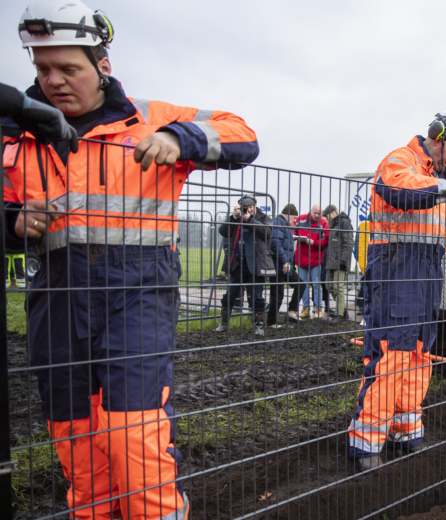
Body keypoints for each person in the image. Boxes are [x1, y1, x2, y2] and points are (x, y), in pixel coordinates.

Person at [2, 1, 259, 517]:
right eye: (42, 68)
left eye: (68, 68)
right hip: (56, 297)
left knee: (135, 436)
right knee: (75, 439)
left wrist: (177, 138)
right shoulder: (16, 133)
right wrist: (12, 225)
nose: (54, 80)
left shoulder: (151, 119)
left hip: (138, 294)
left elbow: (242, 132)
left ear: (102, 65)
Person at [347, 109, 446, 469]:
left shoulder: (441, 181)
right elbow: (400, 189)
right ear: (437, 137)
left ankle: (406, 430)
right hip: (395, 270)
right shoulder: (402, 161)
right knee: (392, 354)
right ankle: (367, 442)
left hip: (426, 274)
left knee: (419, 355)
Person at [215, 197, 274, 336]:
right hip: (237, 263)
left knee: (256, 297)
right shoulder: (236, 218)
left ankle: (258, 325)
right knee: (230, 294)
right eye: (243, 206)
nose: (247, 209)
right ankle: (223, 323)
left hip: (256, 263)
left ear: (254, 206)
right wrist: (233, 218)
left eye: (249, 206)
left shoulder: (263, 217)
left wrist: (250, 220)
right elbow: (223, 231)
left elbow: (267, 233)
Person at [266, 203, 303, 327]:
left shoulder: (284, 225)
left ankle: (292, 311)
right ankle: (271, 322)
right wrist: (285, 261)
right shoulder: (278, 223)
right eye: (294, 218)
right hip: (278, 265)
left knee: (300, 284)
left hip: (286, 265)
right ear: (288, 215)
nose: (295, 221)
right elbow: (276, 244)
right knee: (277, 293)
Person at [294, 204, 329, 319]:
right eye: (315, 213)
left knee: (316, 284)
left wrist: (314, 243)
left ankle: (318, 309)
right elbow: (292, 232)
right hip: (301, 258)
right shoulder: (300, 219)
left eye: (319, 214)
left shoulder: (324, 223)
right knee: (303, 285)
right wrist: (296, 237)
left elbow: (325, 242)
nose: (317, 215)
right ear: (311, 211)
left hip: (316, 259)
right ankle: (305, 309)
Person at [323, 203, 354, 320]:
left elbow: (348, 243)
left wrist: (343, 260)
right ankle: (343, 310)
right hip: (331, 262)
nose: (327, 219)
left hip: (340, 262)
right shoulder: (334, 224)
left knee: (338, 287)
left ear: (332, 212)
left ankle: (340, 314)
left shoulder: (344, 223)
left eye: (327, 216)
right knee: (329, 286)